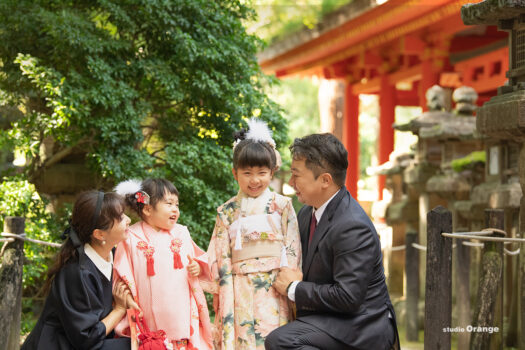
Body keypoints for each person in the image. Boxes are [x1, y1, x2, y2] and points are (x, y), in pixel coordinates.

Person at [265, 133, 399, 350]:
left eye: (296, 175)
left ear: (325, 180)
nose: (291, 183)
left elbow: (348, 296)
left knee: (282, 341)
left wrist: (293, 288)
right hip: (329, 318)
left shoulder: (353, 225)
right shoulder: (307, 213)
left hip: (361, 325)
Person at [204, 118, 302, 349]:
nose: (255, 180)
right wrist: (225, 288)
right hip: (239, 287)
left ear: (272, 172)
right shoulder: (227, 211)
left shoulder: (282, 205)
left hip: (274, 286)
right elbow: (220, 255)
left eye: (262, 172)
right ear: (234, 173)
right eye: (247, 172)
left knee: (274, 338)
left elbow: (292, 246)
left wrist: (287, 280)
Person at [22, 191, 133, 350]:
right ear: (100, 234)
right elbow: (86, 339)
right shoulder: (77, 273)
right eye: (121, 218)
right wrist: (119, 310)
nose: (129, 220)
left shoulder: (114, 256)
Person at [113, 178, 213, 350]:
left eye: (177, 204)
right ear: (147, 208)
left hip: (180, 309)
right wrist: (127, 300)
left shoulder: (181, 233)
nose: (175, 209)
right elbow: (121, 273)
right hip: (146, 311)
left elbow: (200, 260)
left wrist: (197, 267)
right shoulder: (130, 237)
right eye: (169, 204)